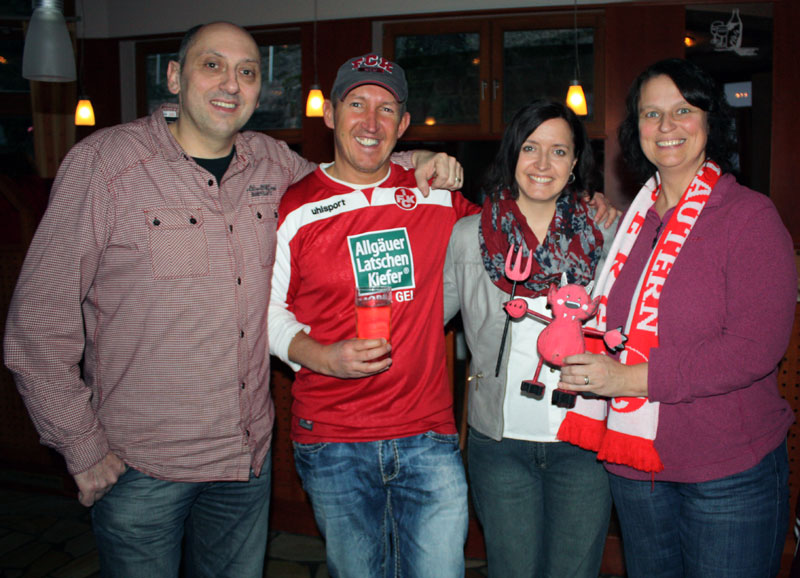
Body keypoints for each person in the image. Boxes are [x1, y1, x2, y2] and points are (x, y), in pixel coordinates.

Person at [3, 23, 461, 578]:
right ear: (174, 76)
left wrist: (423, 159)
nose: (231, 83)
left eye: (247, 71)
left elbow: (352, 176)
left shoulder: (274, 166)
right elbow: (36, 323)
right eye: (212, 65)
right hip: (140, 465)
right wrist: (79, 444)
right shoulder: (106, 166)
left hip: (245, 462)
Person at [559, 58, 796, 577]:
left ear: (711, 122)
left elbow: (754, 351)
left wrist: (628, 378)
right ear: (635, 128)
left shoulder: (750, 218)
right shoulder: (631, 224)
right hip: (636, 469)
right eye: (651, 114)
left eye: (682, 111)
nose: (666, 127)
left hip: (726, 473)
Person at [268, 54, 478, 577]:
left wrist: (590, 205)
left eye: (387, 109)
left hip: (427, 434)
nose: (371, 122)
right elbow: (267, 312)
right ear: (331, 114)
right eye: (357, 104)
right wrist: (322, 356)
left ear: (403, 125)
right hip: (333, 437)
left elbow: (508, 235)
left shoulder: (433, 196)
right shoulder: (294, 208)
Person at [442, 100, 616, 578]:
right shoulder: (468, 236)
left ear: (576, 161)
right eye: (531, 148)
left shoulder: (607, 233)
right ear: (511, 153)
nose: (543, 164)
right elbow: (425, 319)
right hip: (500, 445)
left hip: (584, 441)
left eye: (559, 151)